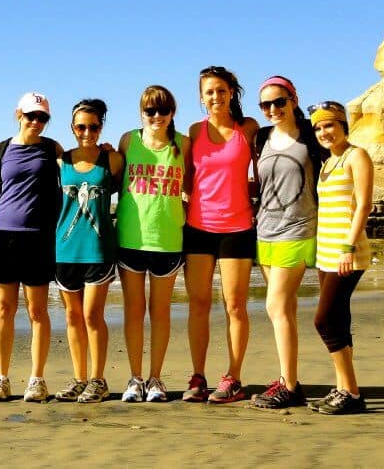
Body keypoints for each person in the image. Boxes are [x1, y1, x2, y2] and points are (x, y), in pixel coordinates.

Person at [182, 66, 259, 404]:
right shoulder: (193, 132)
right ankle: (198, 376)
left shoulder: (249, 128)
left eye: (221, 90)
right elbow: (185, 178)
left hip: (238, 228)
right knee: (198, 304)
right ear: (201, 97)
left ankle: (234, 378)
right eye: (209, 92)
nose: (215, 96)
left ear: (232, 93)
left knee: (235, 306)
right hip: (198, 227)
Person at [250, 76, 327, 409]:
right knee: (286, 309)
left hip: (298, 229)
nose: (273, 109)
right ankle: (286, 377)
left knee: (276, 306)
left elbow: (341, 163)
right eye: (266, 104)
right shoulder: (262, 138)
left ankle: (291, 386)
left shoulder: (312, 135)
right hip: (265, 232)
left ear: (294, 100)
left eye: (280, 102)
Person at [0, 92, 63, 402]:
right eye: (31, 115)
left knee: (37, 312)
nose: (36, 122)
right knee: (4, 309)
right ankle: (1, 379)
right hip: (4, 236)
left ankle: (36, 379)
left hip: (40, 238)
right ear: (18, 114)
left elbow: (77, 168)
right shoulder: (0, 149)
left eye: (42, 117)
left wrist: (103, 151)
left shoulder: (51, 148)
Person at [114, 86, 190, 403]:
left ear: (172, 112)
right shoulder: (128, 141)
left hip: (169, 240)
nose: (156, 116)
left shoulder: (184, 144)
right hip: (131, 239)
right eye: (150, 111)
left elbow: (196, 185)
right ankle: (135, 378)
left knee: (160, 312)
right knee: (134, 312)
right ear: (141, 113)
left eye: (163, 110)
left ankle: (156, 379)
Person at [52, 99, 125, 404]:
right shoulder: (61, 161)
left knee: (92, 315)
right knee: (72, 317)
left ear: (101, 127)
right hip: (65, 250)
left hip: (99, 249)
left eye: (93, 126)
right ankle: (79, 378)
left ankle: (98, 379)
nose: (86, 132)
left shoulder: (113, 160)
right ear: (72, 127)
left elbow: (129, 196)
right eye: (80, 126)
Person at [309, 101, 373, 415]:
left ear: (343, 125)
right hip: (326, 253)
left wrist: (347, 247)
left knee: (324, 320)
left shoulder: (356, 156)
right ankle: (343, 388)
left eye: (330, 125)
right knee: (339, 320)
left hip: (347, 254)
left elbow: (363, 205)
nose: (324, 132)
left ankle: (353, 392)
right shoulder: (327, 162)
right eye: (318, 127)